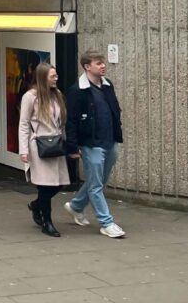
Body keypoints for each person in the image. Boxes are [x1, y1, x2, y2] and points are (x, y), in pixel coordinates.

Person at [64, 50, 125, 238]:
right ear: (87, 66)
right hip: (91, 144)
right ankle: (106, 223)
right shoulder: (77, 91)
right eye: (98, 63)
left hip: (110, 141)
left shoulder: (107, 86)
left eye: (103, 62)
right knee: (96, 184)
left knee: (98, 180)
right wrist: (73, 147)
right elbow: (71, 120)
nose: (103, 66)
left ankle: (76, 206)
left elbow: (114, 110)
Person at [19, 63, 69, 237]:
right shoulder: (30, 97)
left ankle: (36, 205)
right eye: (52, 76)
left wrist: (68, 144)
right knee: (45, 186)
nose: (56, 78)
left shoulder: (58, 95)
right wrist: (23, 150)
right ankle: (47, 222)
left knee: (59, 184)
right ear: (42, 78)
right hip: (39, 145)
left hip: (56, 144)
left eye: (56, 76)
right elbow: (24, 124)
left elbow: (62, 123)